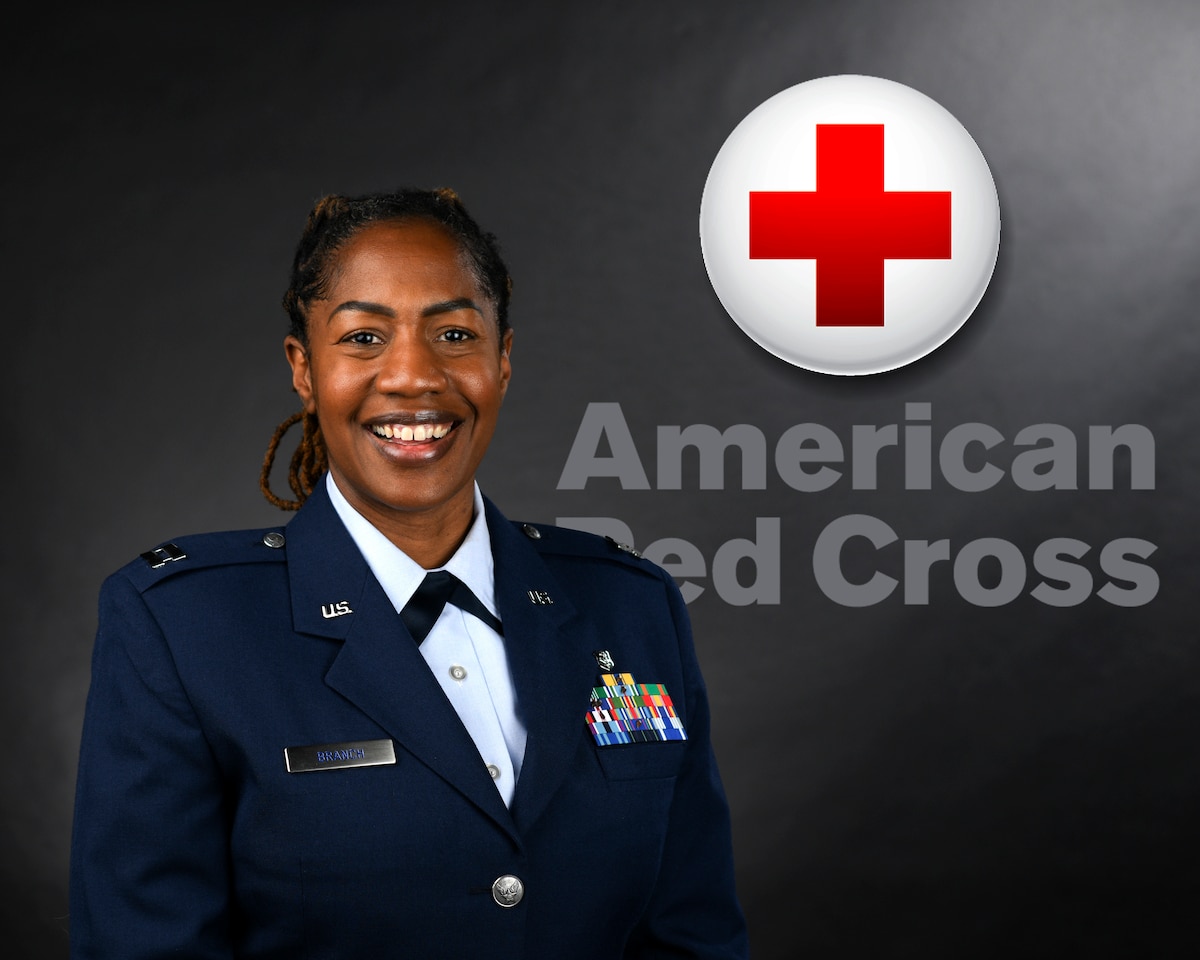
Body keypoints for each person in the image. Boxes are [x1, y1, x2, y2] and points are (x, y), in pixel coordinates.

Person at [70, 188, 748, 958]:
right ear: (303, 368)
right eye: (363, 337)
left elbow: (694, 935)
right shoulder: (182, 628)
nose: (413, 377)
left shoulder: (630, 608)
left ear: (502, 359)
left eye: (454, 333)